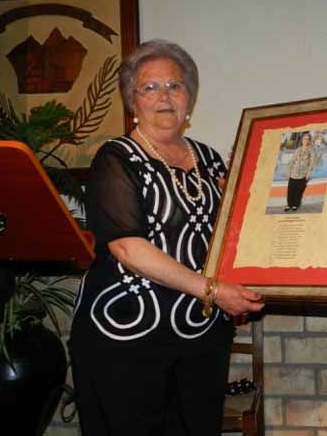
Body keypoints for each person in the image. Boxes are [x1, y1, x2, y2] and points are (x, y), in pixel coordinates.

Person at [69, 39, 264, 436]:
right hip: (126, 335)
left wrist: (251, 187)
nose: (164, 96)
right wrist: (212, 289)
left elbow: (231, 233)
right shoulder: (116, 158)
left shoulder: (211, 159)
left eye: (175, 86)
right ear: (132, 100)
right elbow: (127, 247)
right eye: (150, 87)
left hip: (200, 335)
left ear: (189, 98)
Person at [284, 132, 315, 212]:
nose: (306, 141)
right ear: (302, 140)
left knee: (299, 190)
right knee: (290, 189)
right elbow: (292, 161)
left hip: (303, 174)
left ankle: (295, 205)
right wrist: (288, 172)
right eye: (305, 139)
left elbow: (311, 163)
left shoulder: (311, 150)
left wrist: (308, 173)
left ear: (309, 141)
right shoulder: (298, 149)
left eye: (308, 139)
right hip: (294, 172)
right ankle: (289, 204)